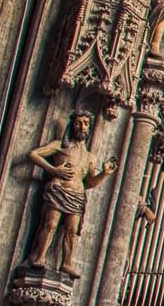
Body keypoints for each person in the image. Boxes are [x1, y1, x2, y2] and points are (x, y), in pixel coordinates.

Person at [25, 110, 116, 277]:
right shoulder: (60, 146)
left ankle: (66, 263)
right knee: (50, 224)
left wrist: (104, 174)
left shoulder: (90, 158)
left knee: (71, 230)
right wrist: (52, 170)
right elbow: (33, 154)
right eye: (78, 123)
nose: (82, 126)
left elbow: (88, 183)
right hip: (59, 191)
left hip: (77, 196)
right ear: (72, 126)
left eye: (86, 123)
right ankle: (38, 257)